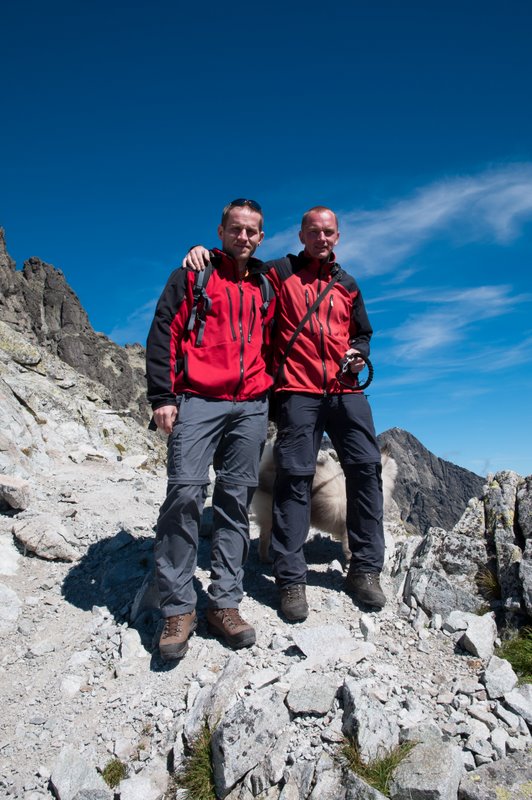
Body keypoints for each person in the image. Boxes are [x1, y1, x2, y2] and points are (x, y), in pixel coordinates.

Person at [184, 206, 385, 622]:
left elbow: (362, 332)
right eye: (314, 232)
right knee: (294, 478)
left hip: (345, 390)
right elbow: (236, 266)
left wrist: (358, 354)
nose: (321, 238)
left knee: (366, 469)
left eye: (328, 232)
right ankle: (290, 578)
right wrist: (203, 252)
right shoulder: (277, 272)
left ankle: (365, 569)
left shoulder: (347, 284)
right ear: (301, 235)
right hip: (297, 390)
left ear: (338, 236)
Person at [146, 198, 275, 661]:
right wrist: (162, 397)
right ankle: (178, 607)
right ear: (221, 231)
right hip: (198, 400)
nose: (244, 237)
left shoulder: (266, 282)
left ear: (261, 237)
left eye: (252, 231)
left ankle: (224, 603)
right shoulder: (193, 275)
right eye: (235, 229)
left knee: (235, 501)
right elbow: (164, 332)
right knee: (184, 494)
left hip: (251, 405)